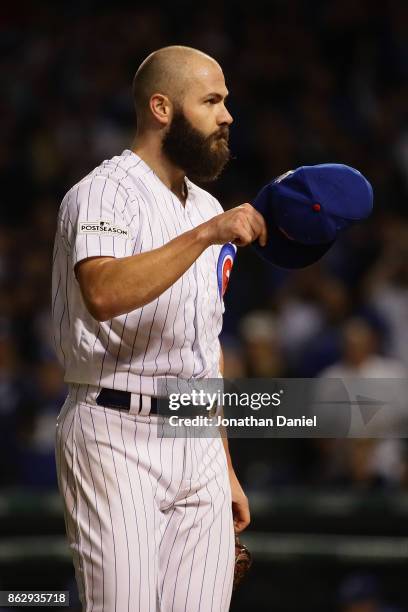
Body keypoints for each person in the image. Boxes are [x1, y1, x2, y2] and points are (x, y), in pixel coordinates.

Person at [52, 45, 267, 612]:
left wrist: (224, 468)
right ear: (161, 108)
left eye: (226, 101)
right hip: (112, 430)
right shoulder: (104, 192)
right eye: (212, 100)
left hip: (192, 434)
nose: (227, 115)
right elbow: (103, 293)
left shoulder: (206, 207)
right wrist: (206, 235)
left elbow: (204, 350)